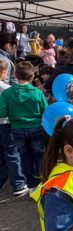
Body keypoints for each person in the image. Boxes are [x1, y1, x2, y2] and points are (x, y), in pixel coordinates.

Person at [0, 61, 48, 190]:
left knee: (24, 157)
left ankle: (31, 184)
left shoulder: (7, 93)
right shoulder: (37, 93)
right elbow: (45, 110)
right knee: (38, 155)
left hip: (17, 129)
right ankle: (40, 181)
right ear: (32, 76)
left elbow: (2, 112)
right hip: (36, 127)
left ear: (15, 75)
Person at [0, 59, 27, 197]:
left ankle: (1, 180)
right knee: (12, 153)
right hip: (6, 124)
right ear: (3, 72)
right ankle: (18, 184)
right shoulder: (7, 89)